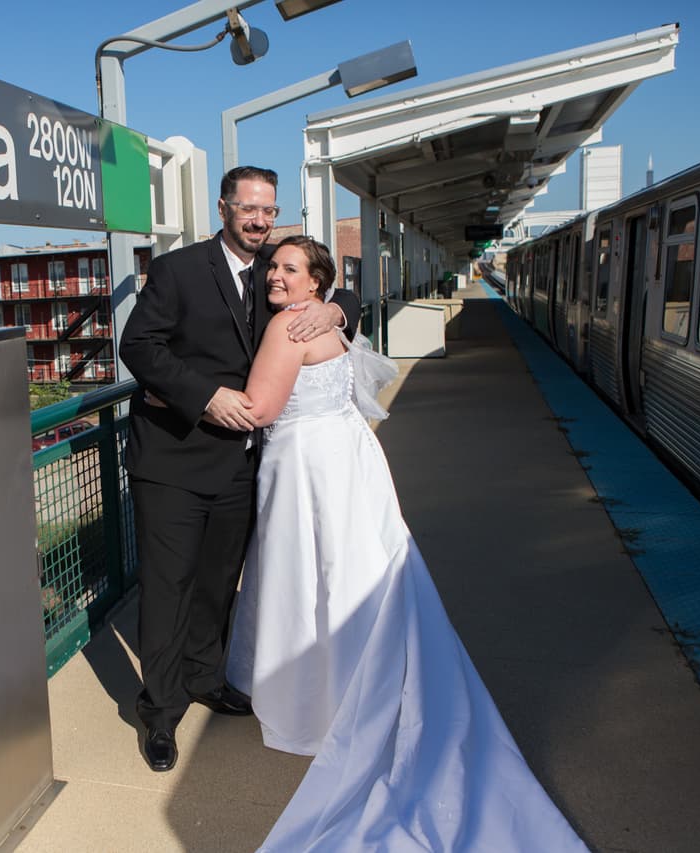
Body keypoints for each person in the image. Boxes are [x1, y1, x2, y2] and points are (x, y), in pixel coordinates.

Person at [225, 235, 588, 851]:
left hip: (307, 467)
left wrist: (195, 399)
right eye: (272, 270)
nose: (274, 279)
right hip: (349, 462)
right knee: (352, 573)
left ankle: (313, 703)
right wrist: (338, 306)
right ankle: (355, 687)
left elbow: (259, 408)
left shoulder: (287, 329)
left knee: (303, 576)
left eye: (288, 270)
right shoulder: (333, 324)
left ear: (316, 283)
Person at [119, 166, 361, 773]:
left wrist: (335, 314)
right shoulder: (178, 270)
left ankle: (205, 678)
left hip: (241, 465)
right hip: (173, 460)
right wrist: (205, 396)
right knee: (168, 588)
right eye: (249, 208)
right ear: (224, 206)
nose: (259, 220)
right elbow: (139, 346)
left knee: (216, 581)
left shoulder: (274, 273)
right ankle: (160, 711)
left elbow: (341, 293)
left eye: (269, 211)